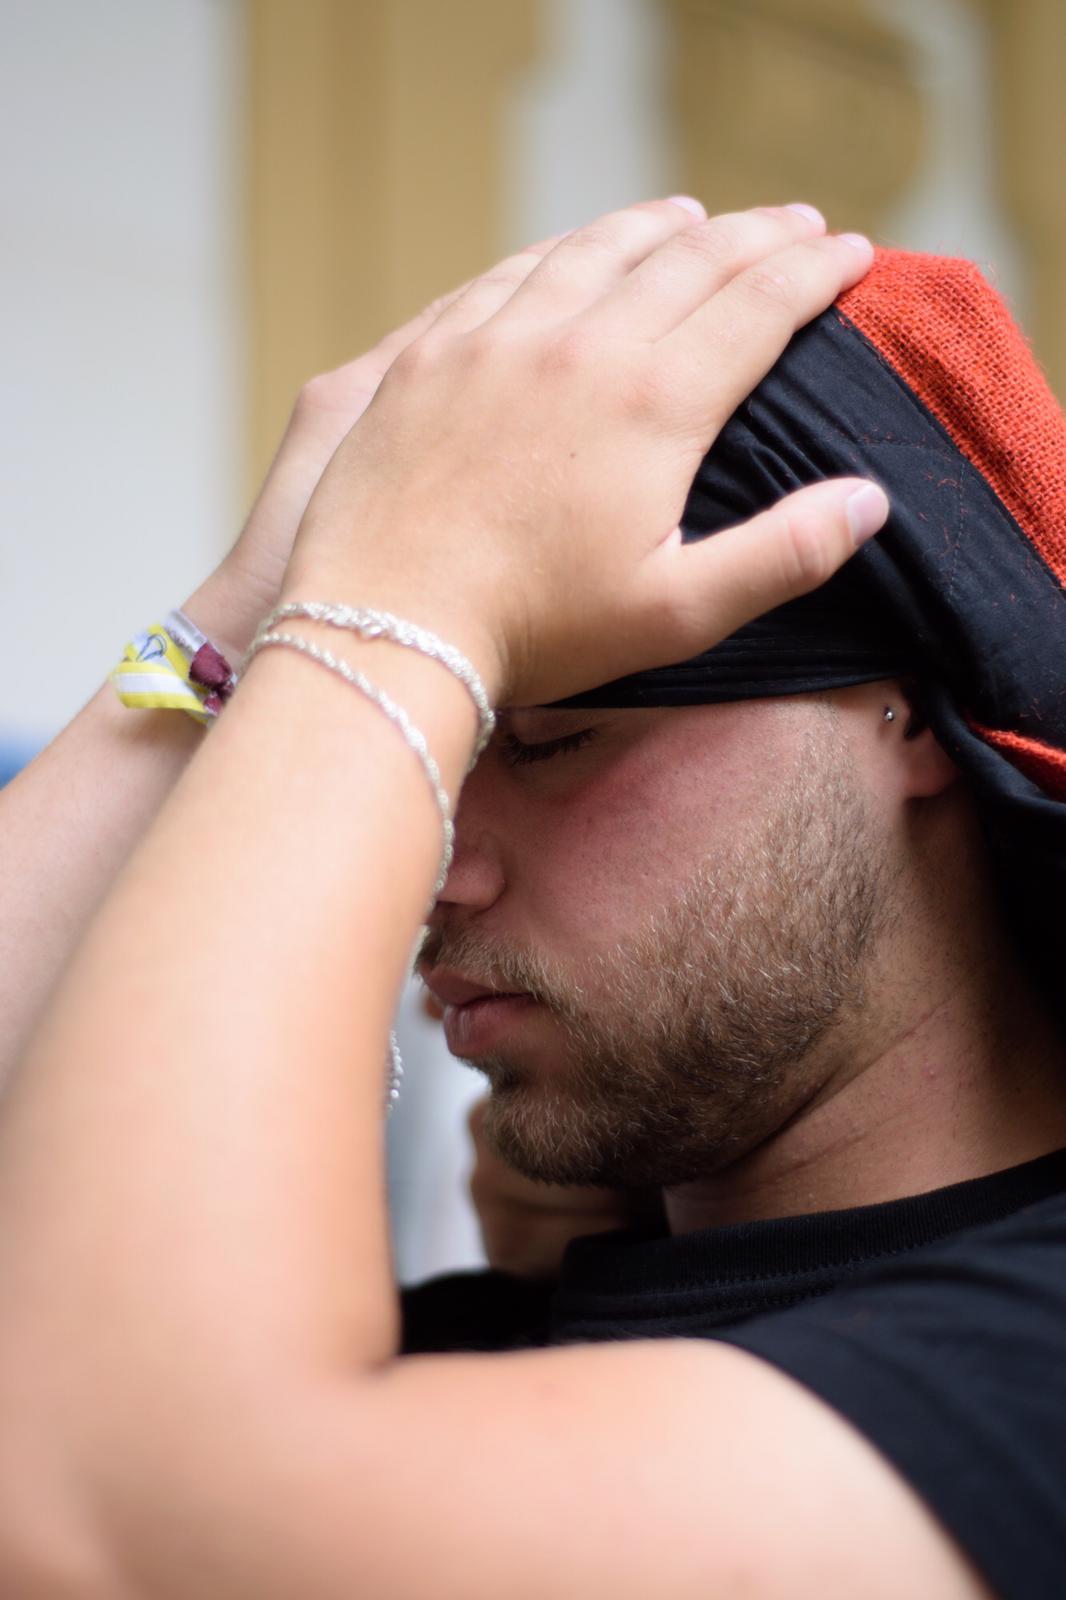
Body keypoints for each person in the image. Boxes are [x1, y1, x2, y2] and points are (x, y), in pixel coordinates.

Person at [0, 196, 1051, 1598]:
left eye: (550, 740)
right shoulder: (466, 1361)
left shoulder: (1024, 1366)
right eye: (442, 748)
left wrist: (389, 616)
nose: (427, 857)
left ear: (910, 715)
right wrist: (236, 618)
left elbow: (118, 1526)